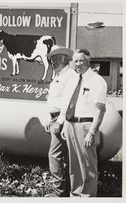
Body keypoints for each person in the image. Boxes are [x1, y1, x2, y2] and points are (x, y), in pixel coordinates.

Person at [58, 49, 107, 197]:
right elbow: (68, 103)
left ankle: (87, 197)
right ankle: (75, 195)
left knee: (87, 167)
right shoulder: (73, 79)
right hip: (71, 125)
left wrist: (92, 133)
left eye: (80, 60)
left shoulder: (97, 81)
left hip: (86, 127)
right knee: (74, 167)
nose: (77, 64)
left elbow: (100, 110)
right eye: (75, 60)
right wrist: (65, 125)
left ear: (88, 61)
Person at [44, 45, 76, 197]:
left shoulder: (70, 75)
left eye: (56, 58)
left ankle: (59, 194)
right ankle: (65, 192)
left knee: (54, 156)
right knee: (63, 156)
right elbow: (52, 101)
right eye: (51, 59)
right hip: (55, 119)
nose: (53, 62)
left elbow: (68, 102)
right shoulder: (58, 76)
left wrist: (59, 122)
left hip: (63, 120)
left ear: (65, 59)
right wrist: (48, 118)